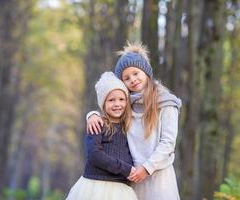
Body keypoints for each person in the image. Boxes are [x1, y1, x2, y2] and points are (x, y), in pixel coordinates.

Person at [86, 42, 182, 200]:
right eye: (126, 78)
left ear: (146, 71)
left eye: (136, 73)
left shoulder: (166, 103)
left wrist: (147, 168)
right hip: (132, 177)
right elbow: (110, 112)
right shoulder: (126, 104)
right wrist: (92, 115)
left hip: (158, 176)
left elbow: (168, 143)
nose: (133, 79)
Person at [66, 72, 138, 200]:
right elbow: (94, 155)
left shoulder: (128, 125)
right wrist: (126, 169)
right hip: (95, 186)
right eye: (111, 100)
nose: (117, 104)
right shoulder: (97, 123)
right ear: (103, 103)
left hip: (121, 190)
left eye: (122, 99)